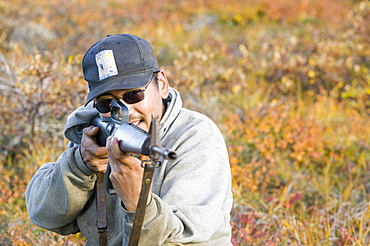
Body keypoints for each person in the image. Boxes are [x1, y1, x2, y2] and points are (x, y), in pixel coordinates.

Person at [26, 34, 233, 246]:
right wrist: (81, 166)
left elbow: (184, 239)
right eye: (107, 103)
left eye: (133, 94)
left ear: (161, 84)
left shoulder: (194, 136)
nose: (125, 111)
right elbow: (44, 215)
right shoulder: (95, 132)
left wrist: (138, 202)